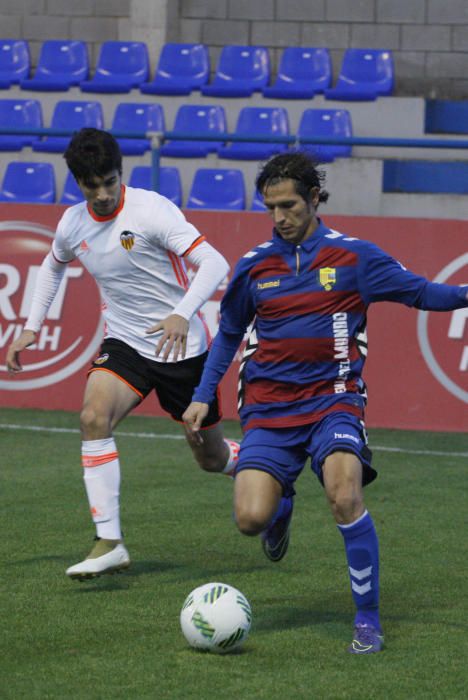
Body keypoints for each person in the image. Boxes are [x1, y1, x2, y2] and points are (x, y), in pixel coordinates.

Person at [183, 151, 468, 654]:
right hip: (269, 410)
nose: (279, 218)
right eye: (270, 207)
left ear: (314, 199)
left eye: (289, 205)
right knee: (251, 519)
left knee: (344, 493)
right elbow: (227, 335)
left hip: (334, 400)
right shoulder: (254, 268)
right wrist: (203, 395)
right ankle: (281, 503)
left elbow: (424, 294)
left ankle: (367, 618)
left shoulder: (355, 258)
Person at [6, 128, 239, 581]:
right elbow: (53, 266)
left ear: (121, 173)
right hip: (126, 344)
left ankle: (260, 467)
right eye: (93, 185)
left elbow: (215, 263)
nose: (104, 193)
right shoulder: (73, 224)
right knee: (94, 417)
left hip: (182, 349)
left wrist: (180, 313)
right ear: (79, 184)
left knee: (210, 458)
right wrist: (31, 328)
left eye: (110, 181)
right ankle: (109, 541)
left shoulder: (152, 210)